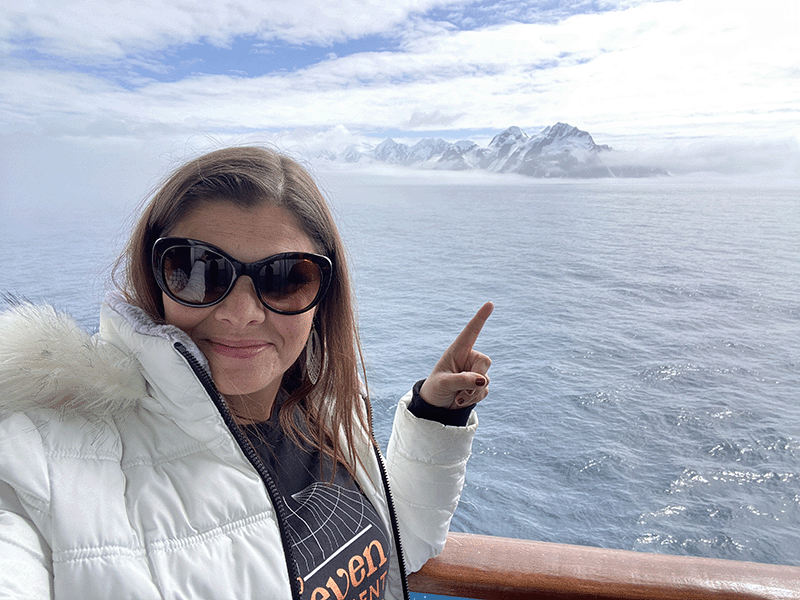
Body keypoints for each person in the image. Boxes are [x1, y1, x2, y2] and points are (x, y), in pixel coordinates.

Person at [0, 146, 493, 600]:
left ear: (322, 295)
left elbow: (400, 545)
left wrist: (434, 415)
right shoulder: (48, 461)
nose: (241, 314)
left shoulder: (321, 407)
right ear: (156, 279)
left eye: (284, 278)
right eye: (197, 269)